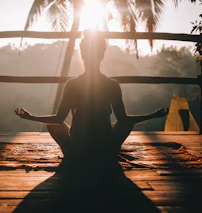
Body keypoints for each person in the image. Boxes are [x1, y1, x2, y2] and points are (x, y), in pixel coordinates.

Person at [15, 29, 168, 168]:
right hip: (104, 149)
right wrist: (153, 115)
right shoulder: (112, 85)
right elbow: (123, 119)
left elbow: (57, 119)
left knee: (53, 125)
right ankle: (109, 152)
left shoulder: (72, 84)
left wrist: (30, 117)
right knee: (124, 124)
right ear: (102, 54)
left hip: (78, 150)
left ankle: (71, 153)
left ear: (82, 54)